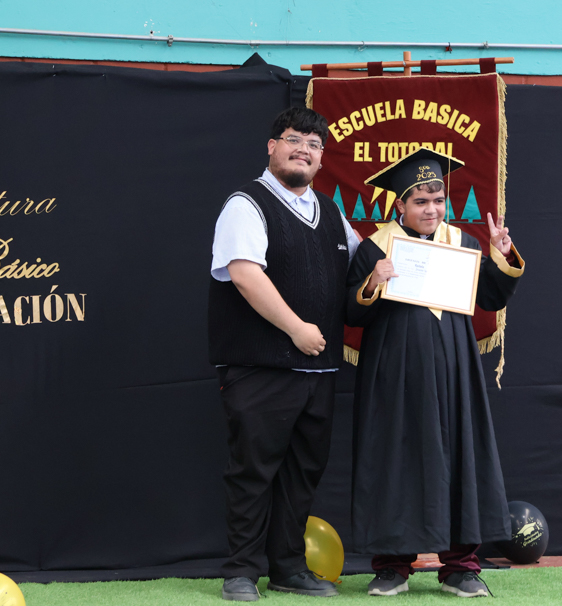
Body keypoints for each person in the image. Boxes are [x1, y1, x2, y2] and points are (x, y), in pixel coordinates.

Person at [345, 148, 524, 598]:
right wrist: (372, 282)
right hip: (394, 374)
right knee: (395, 458)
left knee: (460, 454)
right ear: (400, 204)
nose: (431, 210)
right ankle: (392, 566)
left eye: (438, 200)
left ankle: (461, 566)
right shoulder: (376, 248)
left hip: (454, 372)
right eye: (420, 201)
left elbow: (490, 298)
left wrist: (501, 255)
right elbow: (351, 314)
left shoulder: (462, 244)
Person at [208, 106, 361, 602]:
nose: (304, 150)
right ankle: (241, 572)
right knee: (253, 472)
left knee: (302, 475)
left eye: (314, 145)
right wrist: (297, 329)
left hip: (319, 370)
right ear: (272, 146)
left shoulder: (331, 213)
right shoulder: (246, 204)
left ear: (321, 160)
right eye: (294, 139)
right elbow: (244, 273)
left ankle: (289, 568)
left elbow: (368, 261)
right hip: (261, 367)